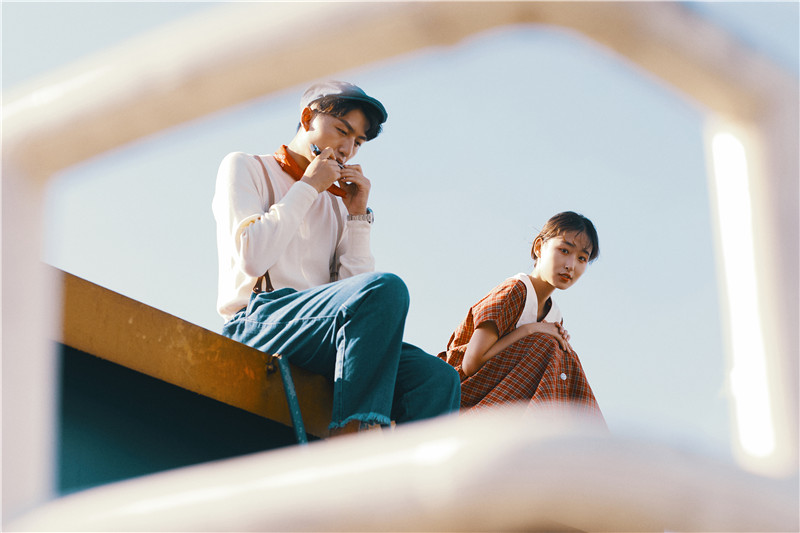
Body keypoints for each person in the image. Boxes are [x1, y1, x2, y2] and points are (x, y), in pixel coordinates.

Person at [212, 80, 460, 435]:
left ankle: (409, 467)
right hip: (256, 321)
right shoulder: (247, 166)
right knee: (386, 287)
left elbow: (358, 301)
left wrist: (357, 217)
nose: (347, 149)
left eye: (358, 142)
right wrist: (309, 186)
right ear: (307, 118)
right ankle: (353, 437)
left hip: (319, 331)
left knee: (437, 378)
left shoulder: (338, 203)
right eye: (342, 131)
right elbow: (252, 257)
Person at [438, 211, 604, 420]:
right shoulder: (515, 290)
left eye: (582, 258)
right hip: (459, 391)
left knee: (568, 358)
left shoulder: (554, 316)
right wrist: (531, 329)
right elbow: (471, 364)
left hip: (507, 394)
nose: (571, 265)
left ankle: (583, 433)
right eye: (564, 250)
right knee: (547, 345)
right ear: (539, 247)